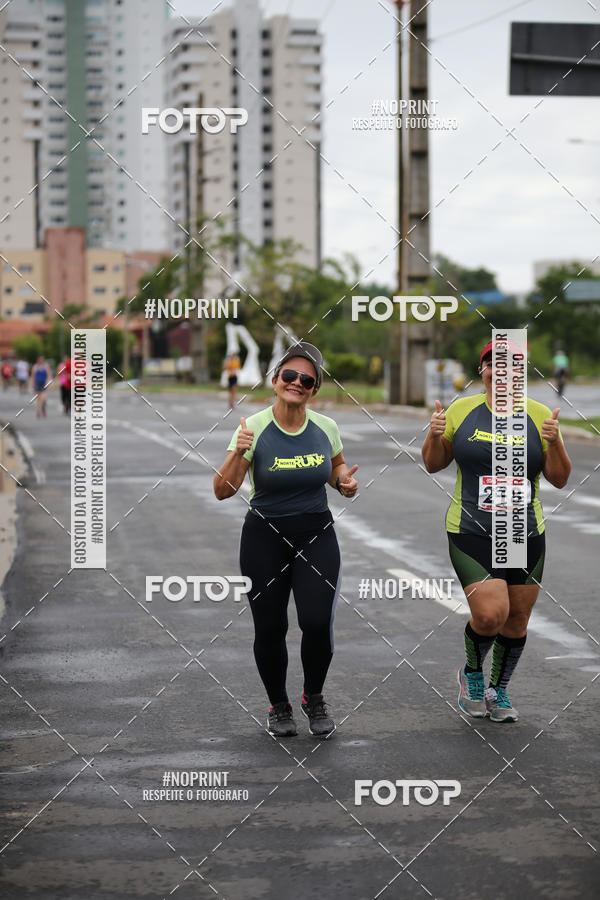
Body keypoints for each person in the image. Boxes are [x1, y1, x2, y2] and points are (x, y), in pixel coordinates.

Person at [421, 339, 571, 723]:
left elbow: (559, 478)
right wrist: (434, 433)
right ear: (482, 370)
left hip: (522, 529)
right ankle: (471, 674)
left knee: (517, 619)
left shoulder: (540, 415)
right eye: (493, 365)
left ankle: (497, 690)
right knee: (491, 615)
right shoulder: (461, 410)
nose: (501, 373)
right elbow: (433, 464)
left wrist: (554, 443)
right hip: (471, 527)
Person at [213, 341, 358, 738]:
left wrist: (344, 482)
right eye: (289, 375)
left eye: (306, 379)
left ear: (314, 390)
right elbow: (222, 490)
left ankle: (314, 696)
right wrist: (237, 453)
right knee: (270, 627)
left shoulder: (325, 427)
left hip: (315, 532)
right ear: (275, 380)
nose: (296, 383)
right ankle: (279, 705)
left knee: (316, 621)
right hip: (265, 536)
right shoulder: (253, 428)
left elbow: (336, 467)